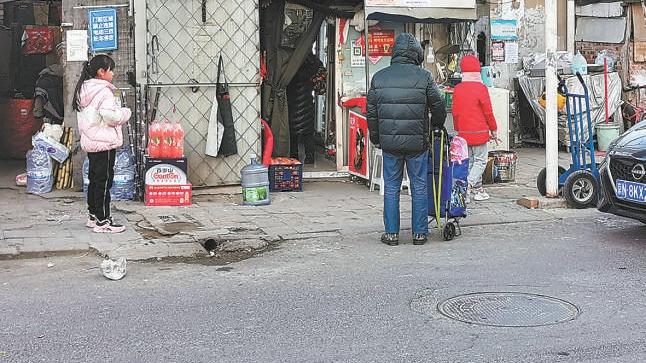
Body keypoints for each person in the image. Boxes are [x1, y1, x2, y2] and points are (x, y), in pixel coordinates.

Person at [367, 33, 446, 246]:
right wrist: (437, 125)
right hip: (417, 143)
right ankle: (419, 233)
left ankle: (391, 233)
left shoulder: (379, 77)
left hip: (390, 143)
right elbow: (439, 105)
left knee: (391, 187)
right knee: (419, 185)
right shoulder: (424, 77)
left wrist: (377, 139)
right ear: (416, 54)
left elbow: (371, 113)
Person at [73, 55, 132, 233]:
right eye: (111, 70)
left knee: (94, 179)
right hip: (104, 142)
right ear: (101, 72)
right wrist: (125, 113)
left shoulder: (84, 89)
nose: (113, 73)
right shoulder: (103, 91)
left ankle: (93, 215)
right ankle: (103, 221)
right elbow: (110, 116)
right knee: (104, 181)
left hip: (92, 141)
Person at [451, 55, 498, 202]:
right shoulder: (481, 88)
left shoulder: (458, 89)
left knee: (470, 162)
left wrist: (458, 129)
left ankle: (475, 191)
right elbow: (488, 112)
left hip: (464, 133)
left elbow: (455, 112)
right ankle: (468, 185)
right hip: (479, 133)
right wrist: (494, 129)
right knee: (480, 161)